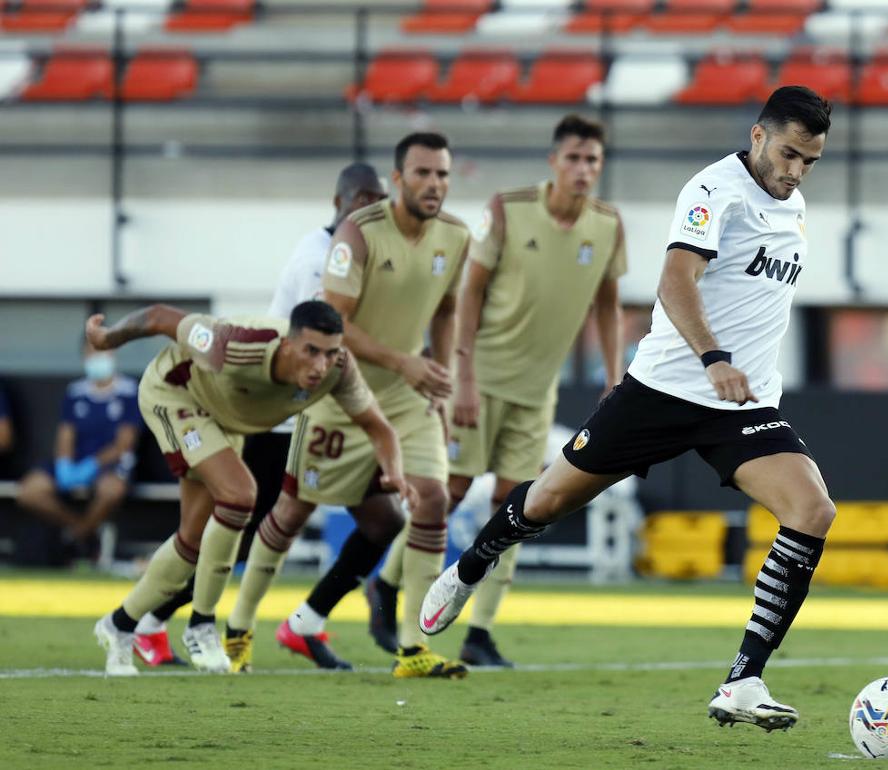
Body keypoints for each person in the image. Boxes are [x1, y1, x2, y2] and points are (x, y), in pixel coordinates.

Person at [420, 86, 837, 731]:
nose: (796, 171)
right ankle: (473, 562)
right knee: (548, 501)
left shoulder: (794, 204)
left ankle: (743, 680)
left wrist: (733, 374)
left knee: (812, 510)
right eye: (789, 154)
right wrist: (713, 359)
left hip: (741, 405)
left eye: (809, 161)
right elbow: (675, 281)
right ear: (758, 135)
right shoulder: (712, 191)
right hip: (667, 388)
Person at [365, 115, 627, 668]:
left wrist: (612, 375)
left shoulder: (608, 225)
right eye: (575, 159)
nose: (584, 170)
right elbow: (469, 293)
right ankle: (386, 585)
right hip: (481, 382)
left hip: (538, 392)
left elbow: (607, 303)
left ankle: (479, 632)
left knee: (520, 508)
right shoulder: (507, 210)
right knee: (452, 493)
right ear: (554, 161)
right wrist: (462, 375)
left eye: (593, 162)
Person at [224, 132, 472, 679]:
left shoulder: (456, 236)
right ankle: (238, 626)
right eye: (424, 173)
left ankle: (413, 646)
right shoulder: (357, 234)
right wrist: (403, 361)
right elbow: (334, 325)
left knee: (432, 499)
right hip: (341, 390)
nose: (435, 184)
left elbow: (448, 309)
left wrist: (444, 374)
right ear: (398, 178)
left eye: (443, 175)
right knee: (292, 513)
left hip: (407, 398)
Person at [130, 162, 387, 669]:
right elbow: (339, 336)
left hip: (319, 408)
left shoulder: (356, 252)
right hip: (282, 413)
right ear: (342, 202)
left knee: (377, 519)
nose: (373, 213)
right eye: (365, 201)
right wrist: (407, 362)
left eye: (379, 204)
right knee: (238, 529)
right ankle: (155, 621)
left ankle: (295, 623)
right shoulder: (323, 260)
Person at [87, 300, 411, 676]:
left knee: (191, 540)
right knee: (240, 495)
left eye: (330, 352)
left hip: (223, 420)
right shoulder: (237, 344)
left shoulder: (338, 370)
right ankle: (202, 625)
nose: (320, 364)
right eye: (311, 351)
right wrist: (108, 338)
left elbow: (379, 428)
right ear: (288, 344)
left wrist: (395, 474)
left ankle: (120, 624)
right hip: (175, 395)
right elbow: (159, 317)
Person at [15, 340, 140, 558]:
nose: (97, 358)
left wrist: (91, 465)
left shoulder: (129, 391)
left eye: (102, 352)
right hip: (75, 462)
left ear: (113, 354)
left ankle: (77, 537)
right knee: (29, 491)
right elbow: (65, 436)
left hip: (110, 464)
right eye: (91, 353)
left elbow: (124, 444)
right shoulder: (76, 392)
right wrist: (65, 464)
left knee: (111, 491)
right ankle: (82, 529)